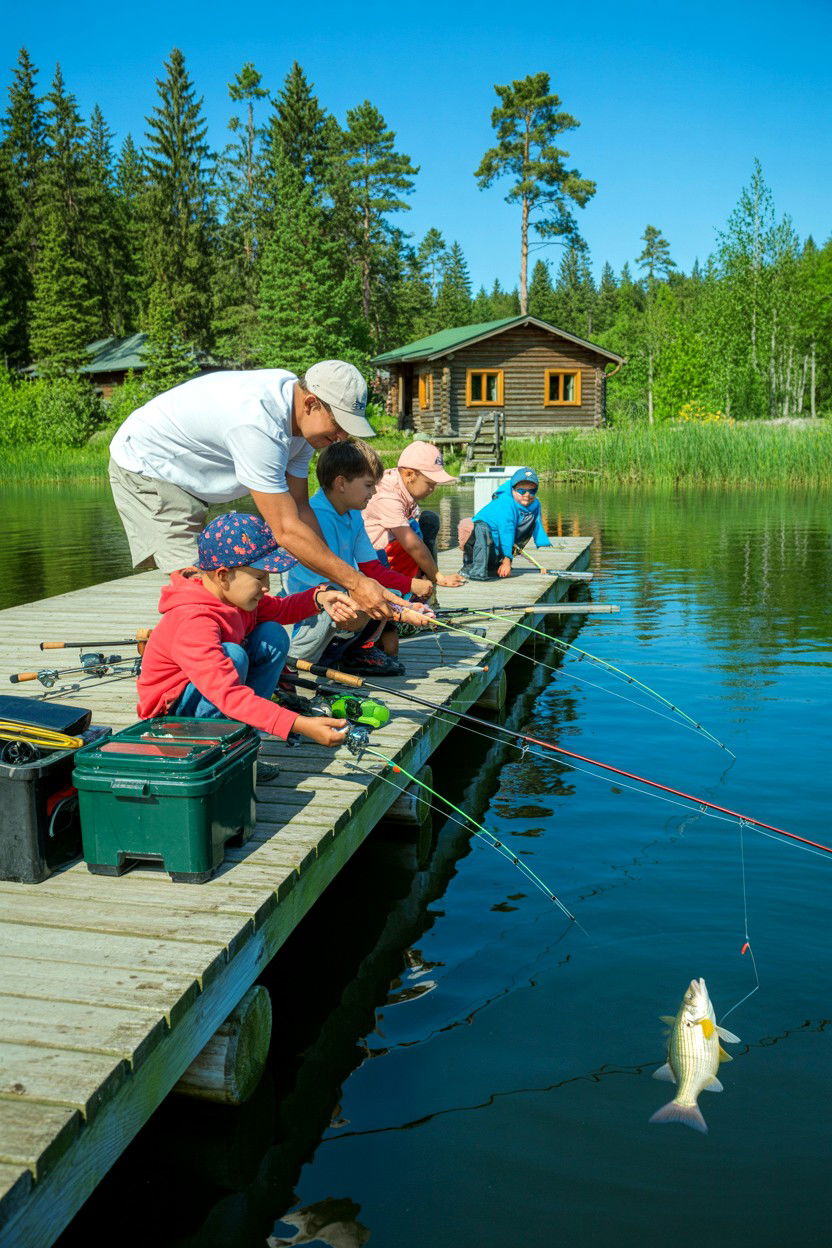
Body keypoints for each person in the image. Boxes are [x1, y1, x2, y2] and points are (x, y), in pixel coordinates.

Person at [109, 360, 392, 619]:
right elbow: (285, 529)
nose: (342, 436)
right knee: (198, 585)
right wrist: (355, 582)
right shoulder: (258, 424)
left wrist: (338, 582)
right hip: (148, 463)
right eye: (339, 424)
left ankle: (233, 649)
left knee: (232, 585)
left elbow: (301, 509)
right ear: (311, 403)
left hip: (192, 473)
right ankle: (197, 658)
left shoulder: (301, 423)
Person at [136, 512, 356, 781]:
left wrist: (319, 597)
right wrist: (298, 724)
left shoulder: (235, 596)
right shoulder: (193, 619)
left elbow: (280, 609)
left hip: (214, 694)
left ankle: (243, 747)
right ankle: (212, 755)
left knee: (273, 635)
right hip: (170, 722)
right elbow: (228, 695)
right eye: (260, 577)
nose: (266, 587)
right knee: (235, 656)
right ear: (223, 575)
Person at [286, 441, 435, 676]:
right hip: (316, 608)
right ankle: (314, 658)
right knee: (364, 604)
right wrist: (401, 612)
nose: (374, 492)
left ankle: (349, 654)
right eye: (368, 485)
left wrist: (407, 599)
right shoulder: (317, 516)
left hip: (341, 596)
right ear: (341, 483)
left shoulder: (354, 514)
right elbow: (332, 584)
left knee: (388, 594)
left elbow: (372, 568)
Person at [361, 442, 465, 589]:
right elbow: (412, 544)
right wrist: (438, 577)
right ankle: (417, 586)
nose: (433, 489)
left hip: (393, 548)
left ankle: (423, 583)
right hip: (374, 559)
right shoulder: (387, 496)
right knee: (412, 537)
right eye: (430, 483)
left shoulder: (404, 486)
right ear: (409, 475)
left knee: (427, 520)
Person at [459, 467, 552, 580]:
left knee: (495, 569)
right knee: (482, 530)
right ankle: (474, 570)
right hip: (475, 537)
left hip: (495, 543)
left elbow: (535, 525)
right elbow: (506, 531)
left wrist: (541, 540)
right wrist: (507, 559)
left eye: (532, 491)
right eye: (522, 491)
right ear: (513, 490)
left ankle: (494, 565)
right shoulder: (506, 503)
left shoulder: (535, 504)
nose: (527, 494)